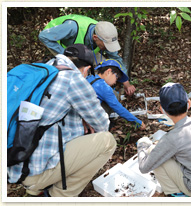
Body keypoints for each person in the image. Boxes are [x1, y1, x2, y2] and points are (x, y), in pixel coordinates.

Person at [7, 44, 116, 197]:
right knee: (107, 141)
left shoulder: (45, 68)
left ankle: (35, 189)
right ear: (86, 69)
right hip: (33, 171)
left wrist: (81, 117)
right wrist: (86, 118)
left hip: (14, 161)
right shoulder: (73, 79)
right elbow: (102, 124)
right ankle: (58, 196)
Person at [137, 83, 191, 197]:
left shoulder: (172, 138)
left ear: (162, 109)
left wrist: (141, 146)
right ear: (189, 104)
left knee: (152, 151)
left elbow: (144, 168)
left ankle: (176, 195)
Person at [38, 14, 135, 95]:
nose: (108, 47)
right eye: (106, 45)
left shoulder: (106, 34)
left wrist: (126, 83)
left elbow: (115, 58)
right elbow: (43, 36)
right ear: (95, 37)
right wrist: (66, 55)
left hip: (84, 48)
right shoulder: (72, 28)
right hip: (56, 42)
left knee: (104, 65)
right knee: (76, 69)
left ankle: (99, 90)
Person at [87, 59, 146, 130]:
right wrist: (138, 122)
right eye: (116, 77)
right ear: (108, 72)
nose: (115, 82)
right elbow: (118, 108)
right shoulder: (103, 87)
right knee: (114, 96)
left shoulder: (90, 77)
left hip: (83, 115)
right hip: (90, 120)